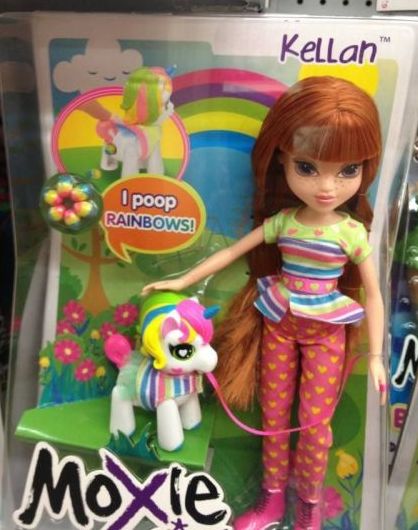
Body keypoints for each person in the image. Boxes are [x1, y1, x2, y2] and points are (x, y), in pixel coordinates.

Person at [142, 76, 387, 530]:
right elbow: (230, 253)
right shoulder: (283, 221)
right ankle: (271, 498)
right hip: (278, 322)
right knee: (273, 416)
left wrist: (376, 356)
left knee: (314, 426)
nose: (327, 187)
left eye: (347, 170)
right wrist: (183, 278)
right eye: (308, 168)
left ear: (364, 168)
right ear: (282, 161)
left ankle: (308, 505)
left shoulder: (352, 233)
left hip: (326, 331)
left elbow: (373, 293)